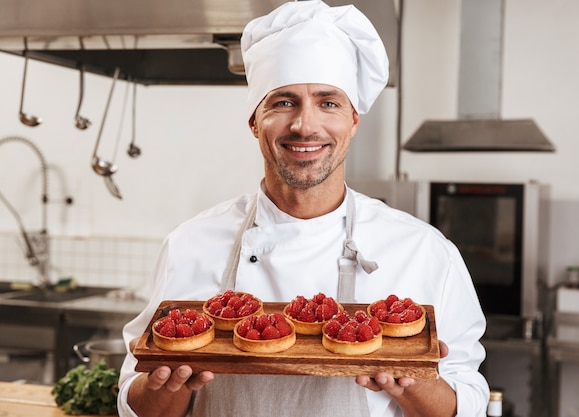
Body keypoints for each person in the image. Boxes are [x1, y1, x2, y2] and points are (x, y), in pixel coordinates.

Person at [117, 1, 489, 416]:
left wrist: (410, 381)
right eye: (283, 102)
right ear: (255, 122)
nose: (305, 126)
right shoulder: (191, 243)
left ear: (353, 121)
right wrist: (166, 389)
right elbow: (137, 401)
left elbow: (466, 403)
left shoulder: (425, 251)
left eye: (328, 103)